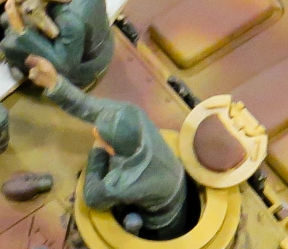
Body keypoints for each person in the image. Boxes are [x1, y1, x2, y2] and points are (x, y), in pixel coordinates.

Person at [25, 56, 189, 238]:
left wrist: (97, 153)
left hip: (163, 219)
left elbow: (92, 197)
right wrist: (54, 83)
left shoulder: (122, 181)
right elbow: (87, 106)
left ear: (112, 150)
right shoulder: (133, 115)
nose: (95, 130)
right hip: (173, 175)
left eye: (100, 136)